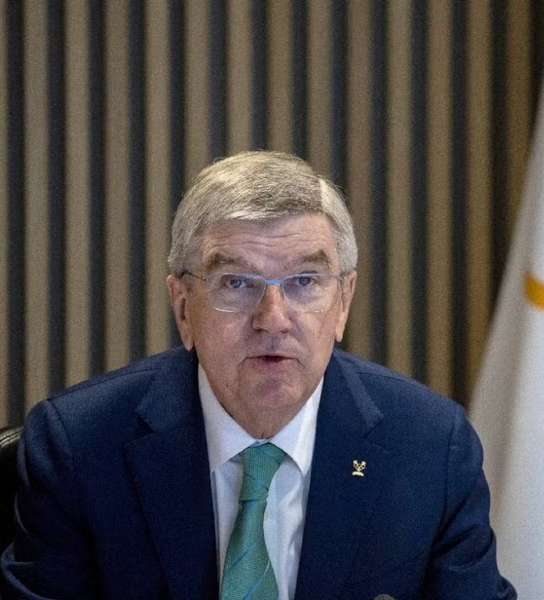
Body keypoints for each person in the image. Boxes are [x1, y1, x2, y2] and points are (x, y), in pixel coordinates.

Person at [1, 151, 516, 599]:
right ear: (183, 307)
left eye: (305, 281)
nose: (273, 318)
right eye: (237, 283)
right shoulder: (81, 446)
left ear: (343, 303)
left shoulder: (429, 448)